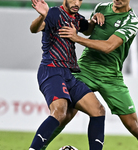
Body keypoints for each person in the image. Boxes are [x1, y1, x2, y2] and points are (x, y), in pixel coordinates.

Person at [59, 0, 138, 149]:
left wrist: (77, 38)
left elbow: (108, 47)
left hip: (111, 76)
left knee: (135, 127)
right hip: (86, 69)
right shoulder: (101, 7)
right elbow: (88, 31)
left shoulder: (132, 21)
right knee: (65, 113)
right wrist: (92, 22)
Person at [29, 0, 105, 150]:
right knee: (60, 111)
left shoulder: (77, 18)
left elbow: (87, 29)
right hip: (51, 69)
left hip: (68, 74)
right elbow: (34, 29)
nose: (77, 3)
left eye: (80, 0)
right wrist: (42, 16)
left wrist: (94, 19)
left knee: (98, 110)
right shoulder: (54, 13)